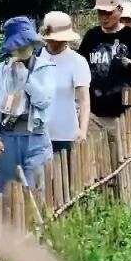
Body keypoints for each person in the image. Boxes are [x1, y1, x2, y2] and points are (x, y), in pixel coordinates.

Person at [0, 17, 55, 192]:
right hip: (7, 138)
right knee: (8, 193)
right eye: (17, 45)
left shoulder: (45, 68)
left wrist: (26, 79)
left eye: (26, 44)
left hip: (36, 137)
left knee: (36, 193)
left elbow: (44, 101)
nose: (22, 49)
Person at [78, 0, 131, 161]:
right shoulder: (91, 36)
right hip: (93, 113)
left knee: (122, 159)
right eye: (100, 13)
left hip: (123, 112)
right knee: (94, 162)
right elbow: (80, 65)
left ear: (119, 10)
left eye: (108, 13)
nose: (104, 17)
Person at [40, 11, 90, 155]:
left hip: (66, 135)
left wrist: (83, 130)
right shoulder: (36, 58)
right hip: (38, 135)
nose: (56, 42)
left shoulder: (77, 61)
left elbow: (84, 100)